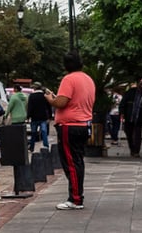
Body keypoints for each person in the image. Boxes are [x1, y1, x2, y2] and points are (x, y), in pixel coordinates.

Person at [45, 50, 95, 211]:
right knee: (78, 161)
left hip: (69, 126)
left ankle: (75, 198)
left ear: (65, 65)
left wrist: (50, 99)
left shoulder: (69, 79)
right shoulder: (88, 79)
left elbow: (61, 102)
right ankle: (76, 195)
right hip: (83, 124)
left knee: (71, 163)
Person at [120, 78, 142, 157]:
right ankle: (132, 148)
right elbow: (123, 102)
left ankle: (136, 151)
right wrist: (122, 112)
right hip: (129, 116)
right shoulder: (130, 92)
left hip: (139, 118)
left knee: (137, 134)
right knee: (129, 133)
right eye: (141, 83)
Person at [27, 81, 52, 151]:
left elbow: (30, 107)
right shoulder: (44, 96)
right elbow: (49, 106)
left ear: (34, 88)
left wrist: (28, 116)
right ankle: (46, 145)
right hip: (43, 117)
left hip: (34, 117)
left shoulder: (31, 96)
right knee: (44, 131)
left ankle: (32, 147)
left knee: (33, 133)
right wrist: (50, 116)